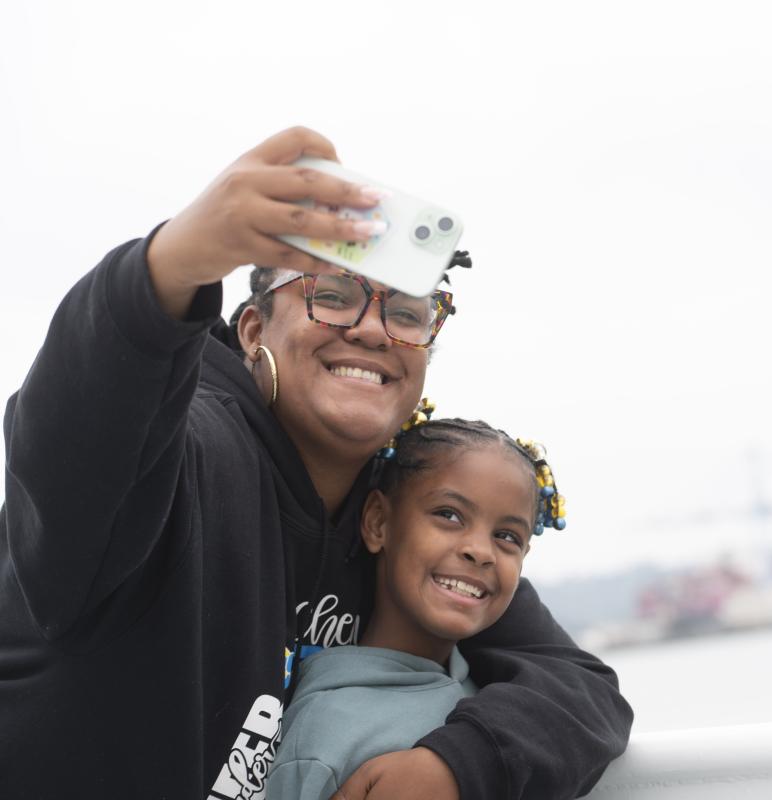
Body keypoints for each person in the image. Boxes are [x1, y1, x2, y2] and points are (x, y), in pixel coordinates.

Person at [0, 127, 632, 799]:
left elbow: (581, 689)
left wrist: (456, 764)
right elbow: (73, 448)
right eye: (330, 296)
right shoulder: (189, 454)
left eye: (408, 312)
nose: (369, 328)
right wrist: (170, 265)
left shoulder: (397, 514)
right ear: (252, 331)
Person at [268, 415, 568, 800]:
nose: (479, 551)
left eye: (507, 536)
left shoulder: (502, 694)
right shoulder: (324, 737)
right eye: (449, 515)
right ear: (378, 522)